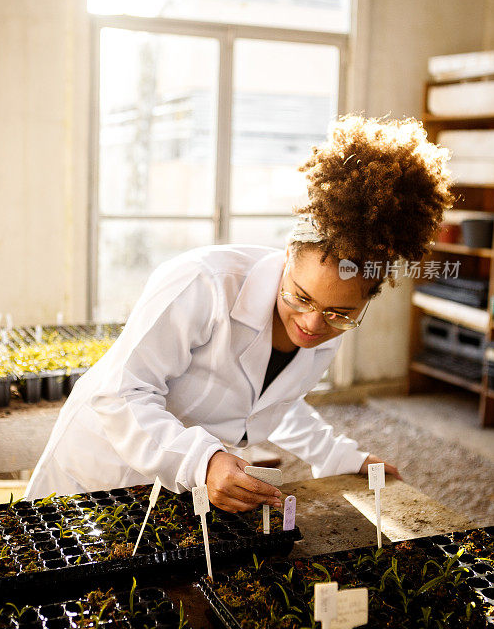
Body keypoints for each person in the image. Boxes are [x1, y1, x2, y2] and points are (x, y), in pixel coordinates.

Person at [25, 116, 453, 512]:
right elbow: (120, 393)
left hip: (182, 494)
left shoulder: (327, 320)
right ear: (288, 255)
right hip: (99, 471)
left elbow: (271, 400)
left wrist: (338, 455)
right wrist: (204, 461)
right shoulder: (203, 282)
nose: (312, 323)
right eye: (300, 298)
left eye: (341, 313)